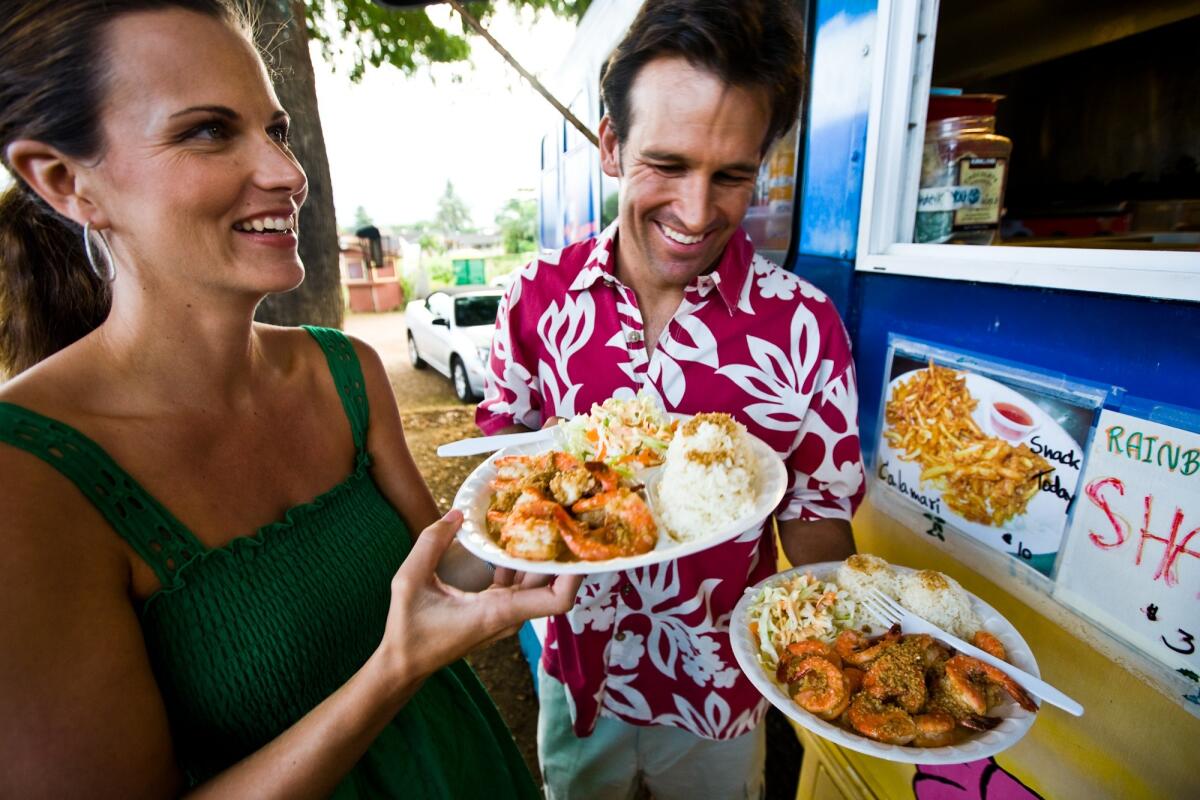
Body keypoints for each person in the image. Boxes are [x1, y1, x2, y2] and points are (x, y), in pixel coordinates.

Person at [0, 2, 581, 797]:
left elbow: (440, 569)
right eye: (208, 130)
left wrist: (569, 488)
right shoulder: (27, 479)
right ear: (67, 182)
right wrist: (393, 670)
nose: (286, 172)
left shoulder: (345, 371)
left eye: (274, 129)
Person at [476, 1, 867, 797]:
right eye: (668, 164)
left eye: (731, 176)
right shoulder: (535, 297)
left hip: (721, 688)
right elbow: (500, 456)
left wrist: (858, 635)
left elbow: (817, 515)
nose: (696, 213)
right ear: (612, 146)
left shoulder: (805, 324)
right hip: (577, 669)